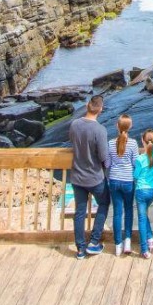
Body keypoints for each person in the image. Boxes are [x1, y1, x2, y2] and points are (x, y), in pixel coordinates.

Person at [68, 95, 111, 259]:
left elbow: (72, 141)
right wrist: (109, 167)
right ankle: (94, 241)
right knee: (104, 203)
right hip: (95, 178)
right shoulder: (100, 130)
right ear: (100, 109)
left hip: (77, 176)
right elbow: (103, 156)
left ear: (87, 106)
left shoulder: (74, 124)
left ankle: (80, 248)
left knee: (79, 211)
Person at [107, 114, 137, 256]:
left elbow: (107, 162)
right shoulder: (133, 143)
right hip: (128, 180)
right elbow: (135, 163)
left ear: (117, 126)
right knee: (129, 210)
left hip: (113, 179)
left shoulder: (110, 143)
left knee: (117, 212)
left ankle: (117, 244)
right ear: (130, 126)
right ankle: (128, 240)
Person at [133, 128, 153, 259]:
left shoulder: (140, 159)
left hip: (140, 191)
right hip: (152, 190)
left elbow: (135, 175)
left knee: (141, 218)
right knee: (144, 215)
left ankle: (144, 248)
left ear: (142, 141)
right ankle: (150, 238)